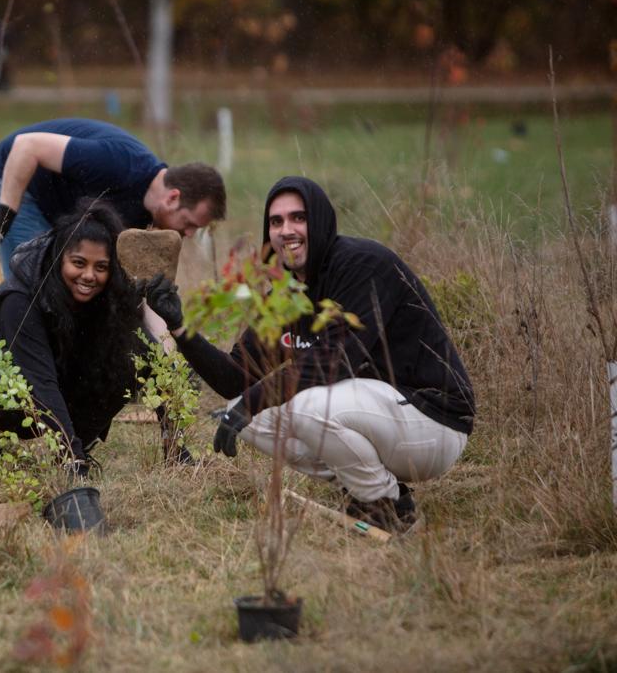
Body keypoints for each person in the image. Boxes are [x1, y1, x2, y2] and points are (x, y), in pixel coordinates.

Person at [143, 176, 476, 532]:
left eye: (298, 218)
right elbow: (235, 378)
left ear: (318, 221)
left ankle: (389, 508)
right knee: (248, 416)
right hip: (379, 418)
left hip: (433, 421)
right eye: (276, 221)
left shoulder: (361, 265)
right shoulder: (286, 294)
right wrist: (180, 329)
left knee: (303, 407)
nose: (287, 230)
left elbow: (333, 361)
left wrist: (253, 400)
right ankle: (375, 492)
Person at [0, 199, 145, 475]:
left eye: (101, 267)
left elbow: (147, 352)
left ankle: (77, 448)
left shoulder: (102, 299)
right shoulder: (19, 299)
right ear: (60, 258)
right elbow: (40, 380)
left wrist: (176, 444)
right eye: (79, 263)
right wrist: (73, 460)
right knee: (11, 377)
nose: (88, 276)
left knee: (123, 361)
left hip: (34, 392)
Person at [0, 118, 227, 279]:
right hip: (16, 179)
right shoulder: (120, 163)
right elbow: (27, 146)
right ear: (173, 198)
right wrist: (5, 215)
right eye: (191, 223)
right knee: (34, 285)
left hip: (53, 204)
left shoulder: (144, 216)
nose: (191, 234)